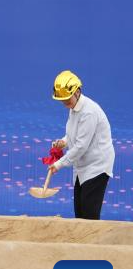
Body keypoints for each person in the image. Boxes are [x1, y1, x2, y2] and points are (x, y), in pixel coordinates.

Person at [46, 70, 114, 220]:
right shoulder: (74, 107)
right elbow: (74, 135)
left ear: (77, 92)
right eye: (62, 100)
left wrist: (59, 164)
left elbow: (81, 146)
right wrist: (63, 142)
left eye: (67, 99)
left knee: (89, 216)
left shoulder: (89, 112)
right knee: (80, 214)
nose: (65, 103)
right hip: (82, 167)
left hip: (97, 167)